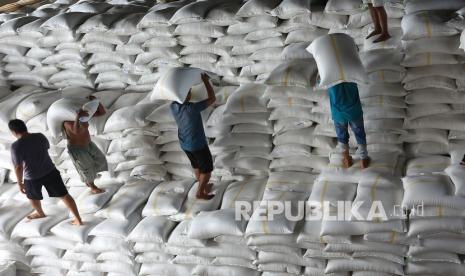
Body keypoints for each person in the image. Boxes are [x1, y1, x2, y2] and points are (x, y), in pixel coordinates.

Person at [9, 119, 83, 225]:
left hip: (31, 177)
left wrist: (20, 183)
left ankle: (40, 213)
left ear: (13, 132)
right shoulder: (40, 136)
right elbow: (46, 148)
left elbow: (18, 167)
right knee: (64, 195)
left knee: (32, 197)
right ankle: (78, 219)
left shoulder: (16, 146)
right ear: (24, 127)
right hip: (50, 171)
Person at [171, 73, 216, 200]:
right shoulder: (192, 108)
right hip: (197, 144)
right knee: (207, 170)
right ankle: (200, 192)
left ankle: (203, 186)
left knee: (196, 166)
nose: (191, 93)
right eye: (188, 92)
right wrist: (206, 81)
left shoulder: (173, 106)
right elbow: (212, 99)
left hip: (184, 143)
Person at [63, 95, 106, 194]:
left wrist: (95, 102)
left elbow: (102, 112)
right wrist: (78, 117)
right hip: (77, 149)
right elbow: (76, 131)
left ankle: (89, 180)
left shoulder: (83, 117)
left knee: (100, 160)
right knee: (85, 168)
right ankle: (92, 186)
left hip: (88, 144)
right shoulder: (66, 122)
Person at [328, 82, 370, 169]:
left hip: (338, 113)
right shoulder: (351, 69)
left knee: (342, 137)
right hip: (354, 111)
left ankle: (347, 159)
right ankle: (363, 159)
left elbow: (319, 81)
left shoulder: (329, 71)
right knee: (360, 134)